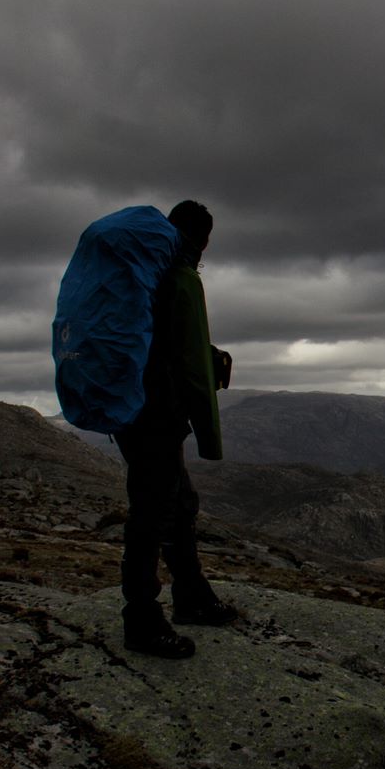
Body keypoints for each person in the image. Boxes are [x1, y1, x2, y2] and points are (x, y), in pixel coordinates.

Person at [114, 199, 238, 658]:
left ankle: (191, 596)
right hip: (157, 414)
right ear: (202, 241)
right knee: (152, 512)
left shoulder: (141, 278)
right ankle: (142, 619)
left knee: (176, 502)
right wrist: (209, 437)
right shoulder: (180, 279)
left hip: (128, 409)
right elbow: (189, 367)